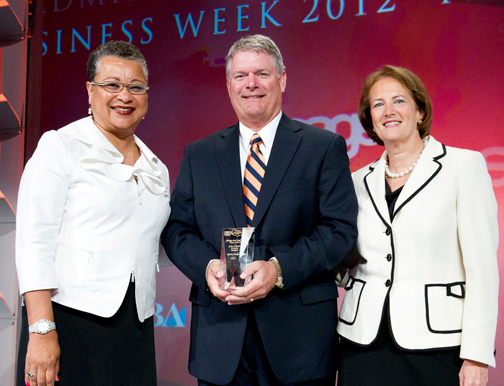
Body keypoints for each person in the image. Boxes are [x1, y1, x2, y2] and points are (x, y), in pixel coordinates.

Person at [162, 34, 358, 386]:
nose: (251, 84)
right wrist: (207, 267)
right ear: (228, 85)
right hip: (221, 340)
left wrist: (277, 269)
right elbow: (178, 230)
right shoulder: (199, 154)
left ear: (282, 79)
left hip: (299, 343)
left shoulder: (322, 147)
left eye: (262, 74)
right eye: (240, 76)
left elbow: (338, 230)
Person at [15, 40, 170, 386]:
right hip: (69, 322)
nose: (124, 96)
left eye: (136, 87)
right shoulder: (60, 147)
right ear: (90, 90)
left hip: (136, 326)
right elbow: (33, 244)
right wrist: (42, 330)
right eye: (112, 85)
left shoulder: (156, 167)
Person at [336, 65, 499, 386]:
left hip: (437, 343)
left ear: (420, 110)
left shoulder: (463, 166)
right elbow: (345, 258)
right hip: (362, 341)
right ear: (370, 119)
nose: (388, 111)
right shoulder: (356, 181)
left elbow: (482, 268)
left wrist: (477, 354)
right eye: (378, 104)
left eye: (399, 101)